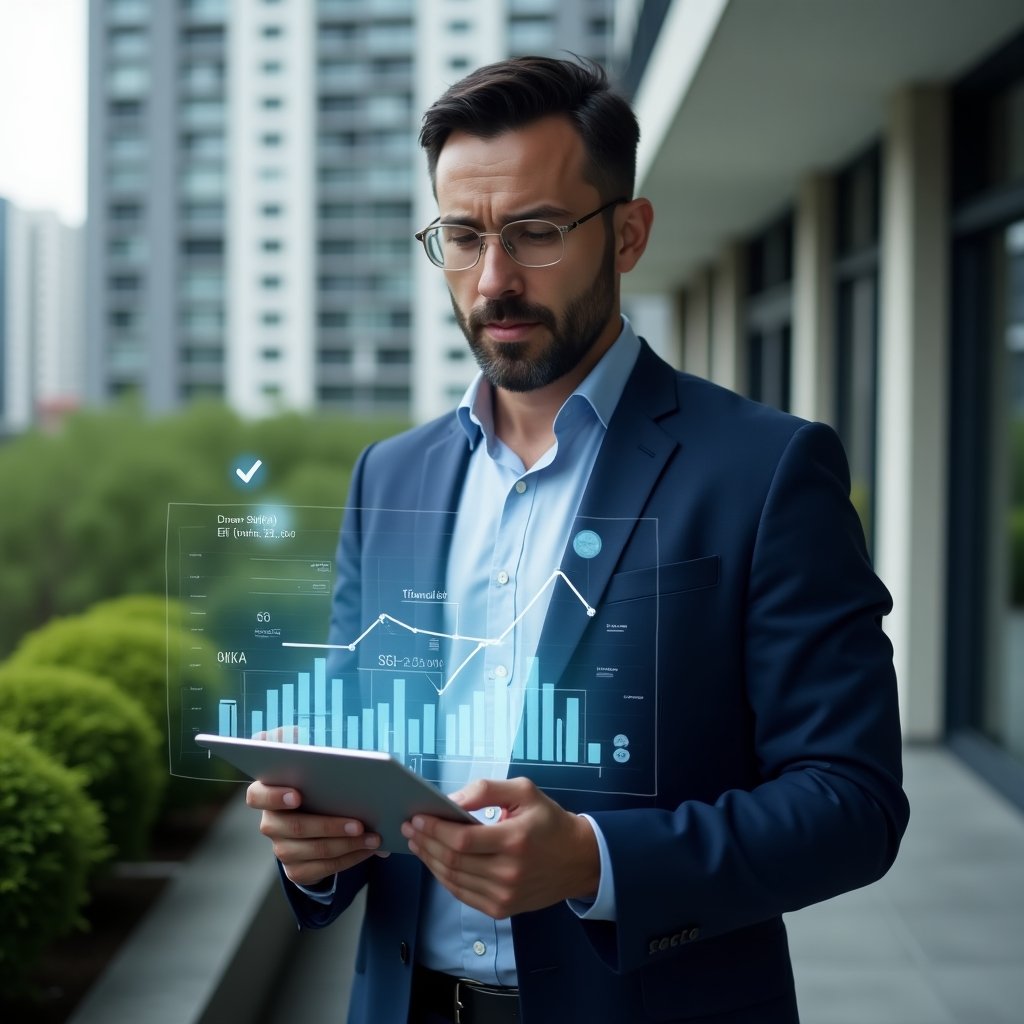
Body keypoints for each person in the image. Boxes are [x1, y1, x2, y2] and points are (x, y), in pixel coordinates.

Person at [247, 55, 909, 1024]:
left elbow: (851, 802)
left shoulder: (767, 470)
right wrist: (313, 851)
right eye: (461, 237)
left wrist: (595, 860)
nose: (493, 280)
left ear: (627, 233)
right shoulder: (387, 476)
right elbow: (364, 746)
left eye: (537, 232)